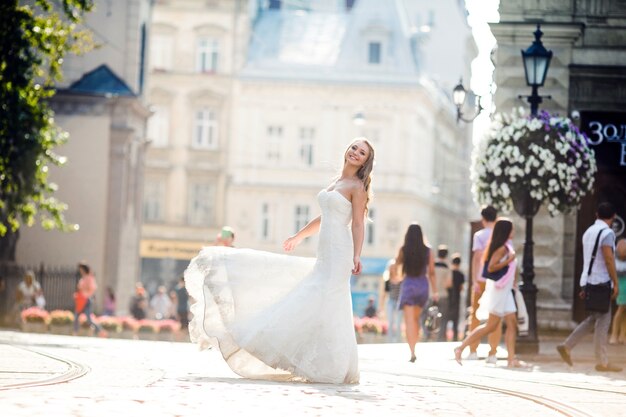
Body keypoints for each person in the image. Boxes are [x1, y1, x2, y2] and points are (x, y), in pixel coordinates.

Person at [184, 138, 374, 384]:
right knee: (317, 298)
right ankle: (314, 359)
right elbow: (324, 217)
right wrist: (298, 236)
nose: (356, 153)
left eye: (362, 153)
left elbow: (357, 223)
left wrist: (357, 254)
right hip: (325, 252)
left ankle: (333, 366)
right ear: (347, 151)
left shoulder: (357, 187)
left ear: (366, 161)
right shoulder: (336, 183)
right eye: (354, 148)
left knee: (327, 300)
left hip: (340, 252)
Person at [556, 203, 622, 372]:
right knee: (604, 319)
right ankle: (602, 362)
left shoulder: (588, 232)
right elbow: (608, 259)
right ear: (613, 216)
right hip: (601, 281)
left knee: (594, 318)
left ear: (596, 214)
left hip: (589, 280)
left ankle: (567, 346)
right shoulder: (607, 233)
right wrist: (615, 282)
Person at [454, 218, 526, 368]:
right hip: (499, 291)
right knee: (491, 326)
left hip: (505, 291)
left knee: (512, 323)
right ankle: (461, 347)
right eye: (511, 229)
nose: (513, 232)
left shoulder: (506, 246)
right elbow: (491, 267)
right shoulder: (502, 249)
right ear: (506, 231)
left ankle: (511, 359)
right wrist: (509, 260)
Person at [395, 223, 436, 363]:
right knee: (416, 319)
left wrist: (397, 277)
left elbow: (396, 267)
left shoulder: (403, 249)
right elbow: (432, 272)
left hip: (408, 285)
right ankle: (415, 347)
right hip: (422, 286)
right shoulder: (428, 250)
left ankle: (412, 351)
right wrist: (435, 291)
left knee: (409, 321)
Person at [468, 206, 502, 362]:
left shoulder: (479, 235)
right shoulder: (501, 235)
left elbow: (476, 259)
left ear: (483, 219)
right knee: (495, 316)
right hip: (496, 280)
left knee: (475, 314)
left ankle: (473, 350)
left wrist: (474, 279)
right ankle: (493, 352)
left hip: (481, 279)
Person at [74, 262, 105, 336]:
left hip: (87, 300)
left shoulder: (89, 277)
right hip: (81, 299)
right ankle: (75, 332)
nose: (80, 271)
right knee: (76, 316)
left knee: (89, 319)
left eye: (81, 269)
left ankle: (100, 331)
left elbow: (93, 288)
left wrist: (85, 293)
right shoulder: (83, 277)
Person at [380, 259, 403, 342]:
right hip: (390, 302)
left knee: (398, 323)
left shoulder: (401, 279)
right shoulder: (387, 280)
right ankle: (389, 341)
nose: (393, 268)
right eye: (391, 267)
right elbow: (384, 294)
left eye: (394, 267)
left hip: (399, 303)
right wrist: (381, 307)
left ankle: (398, 341)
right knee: (390, 322)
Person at [609, 238, 626, 344]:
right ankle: (614, 335)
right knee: (621, 308)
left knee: (625, 310)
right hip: (621, 283)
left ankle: (622, 335)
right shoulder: (615, 257)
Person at [433, 245, 451, 342]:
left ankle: (428, 335)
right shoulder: (447, 266)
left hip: (431, 294)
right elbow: (449, 283)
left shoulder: (432, 264)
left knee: (429, 316)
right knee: (443, 318)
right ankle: (440, 338)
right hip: (443, 294)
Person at [448, 253, 465, 342]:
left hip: (448, 297)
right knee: (456, 319)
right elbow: (461, 288)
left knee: (446, 317)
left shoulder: (449, 273)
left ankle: (442, 337)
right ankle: (455, 337)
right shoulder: (461, 274)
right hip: (457, 298)